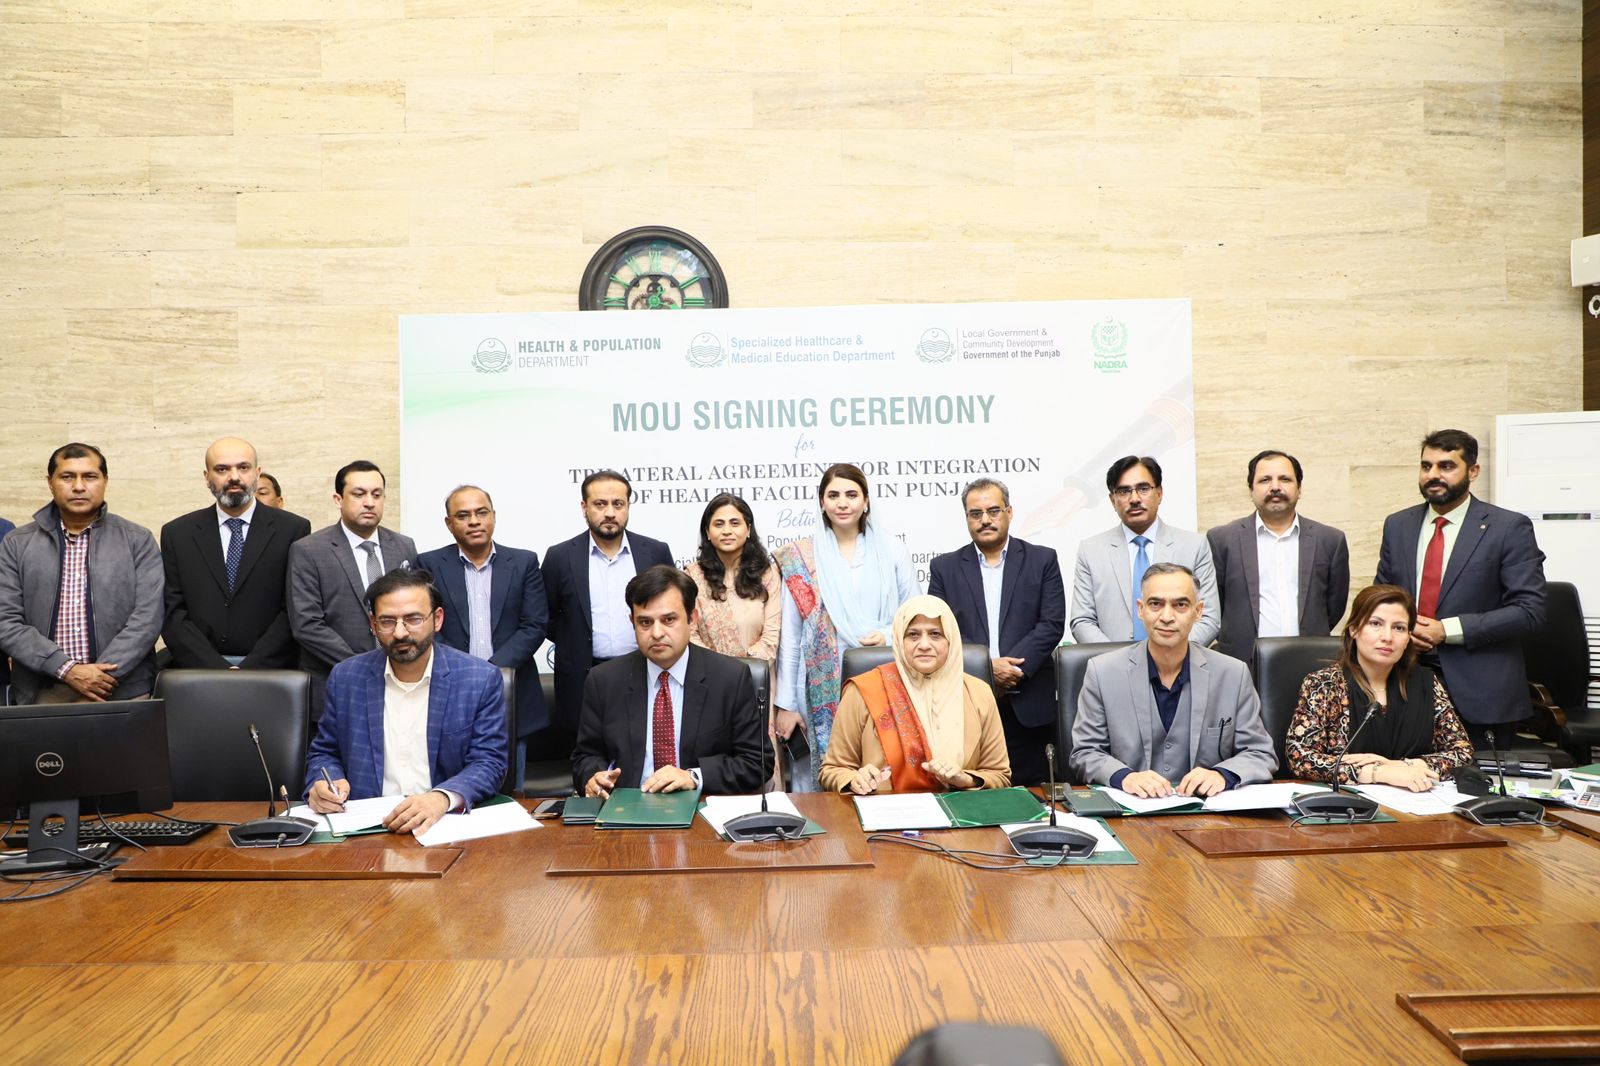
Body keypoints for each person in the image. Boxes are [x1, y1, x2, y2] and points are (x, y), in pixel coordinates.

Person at [303, 569, 507, 835]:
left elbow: (489, 762)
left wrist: (441, 798)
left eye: (413, 619)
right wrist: (324, 783)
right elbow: (325, 752)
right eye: (387, 621)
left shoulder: (479, 679)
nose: (400, 633)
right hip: (366, 829)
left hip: (444, 825)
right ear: (373, 624)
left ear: (437, 619)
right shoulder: (346, 678)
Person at [1375, 429, 1545, 740]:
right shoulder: (1398, 525)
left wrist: (1446, 630)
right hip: (1402, 682)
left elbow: (1529, 611)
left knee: (1476, 773)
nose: (1433, 475)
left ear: (1473, 471)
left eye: (1446, 466)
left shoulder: (1508, 527)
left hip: (1480, 692)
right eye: (1426, 466)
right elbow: (1382, 598)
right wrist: (1405, 629)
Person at [1070, 563, 1276, 795]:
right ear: (1141, 609)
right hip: (1132, 808)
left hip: (1208, 810)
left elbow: (1260, 753)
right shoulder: (1102, 672)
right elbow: (1085, 753)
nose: (1167, 617)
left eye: (1180, 605)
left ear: (1198, 611)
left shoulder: (1233, 674)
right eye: (1155, 604)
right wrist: (1125, 777)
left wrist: (1222, 775)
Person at [773, 462, 919, 785]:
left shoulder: (893, 550)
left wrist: (885, 635)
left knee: (882, 767)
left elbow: (915, 616)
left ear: (866, 501)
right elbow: (792, 637)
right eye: (833, 495)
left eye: (851, 495)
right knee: (823, 776)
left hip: (884, 675)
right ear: (822, 503)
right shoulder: (802, 557)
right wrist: (786, 705)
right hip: (819, 688)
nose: (843, 503)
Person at [571, 565, 766, 797]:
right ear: (632, 621)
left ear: (691, 618)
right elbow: (585, 757)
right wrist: (593, 777)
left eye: (669, 620)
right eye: (645, 622)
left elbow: (756, 763)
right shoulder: (604, 681)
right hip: (627, 807)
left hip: (700, 805)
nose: (656, 633)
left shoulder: (730, 678)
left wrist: (693, 777)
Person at [0, 443, 163, 704]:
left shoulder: (137, 539)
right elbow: (6, 620)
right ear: (50, 483)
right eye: (67, 477)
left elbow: (148, 618)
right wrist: (67, 670)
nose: (78, 486)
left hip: (121, 689)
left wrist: (102, 676)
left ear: (105, 481)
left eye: (89, 476)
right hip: (43, 690)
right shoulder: (17, 543)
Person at [927, 478, 1064, 785]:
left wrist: (1013, 669)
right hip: (966, 701)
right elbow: (940, 630)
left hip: (1029, 703)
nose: (985, 520)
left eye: (993, 511)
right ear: (966, 518)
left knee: (1032, 797)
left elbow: (1051, 623)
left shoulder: (1042, 559)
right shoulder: (944, 568)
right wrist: (988, 668)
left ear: (1009, 512)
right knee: (974, 792)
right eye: (975, 513)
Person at [417, 485, 548, 792]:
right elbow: (427, 625)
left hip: (511, 692)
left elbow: (534, 625)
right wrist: (466, 672)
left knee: (509, 793)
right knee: (454, 792)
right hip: (449, 691)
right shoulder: (429, 564)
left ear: (493, 517)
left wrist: (490, 673)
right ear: (449, 523)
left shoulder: (524, 562)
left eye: (481, 513)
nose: (474, 521)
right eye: (463, 515)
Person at [1287, 584, 1474, 791]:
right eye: (1375, 623)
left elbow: (1462, 752)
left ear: (1408, 638)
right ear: (1354, 629)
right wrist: (1378, 772)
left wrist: (1402, 766)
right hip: (1350, 803)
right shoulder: (1324, 685)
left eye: (1399, 628)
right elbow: (1300, 757)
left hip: (1417, 801)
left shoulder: (1426, 683)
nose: (1387, 637)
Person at [819, 595, 1011, 794]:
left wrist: (966, 779)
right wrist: (855, 779)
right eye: (913, 635)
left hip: (960, 810)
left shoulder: (979, 693)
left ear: (951, 640)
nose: (924, 644)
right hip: (886, 809)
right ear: (899, 640)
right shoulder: (864, 690)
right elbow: (832, 770)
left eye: (935, 634)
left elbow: (999, 774)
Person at [542, 469, 673, 751]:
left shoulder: (655, 552)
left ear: (628, 506)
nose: (610, 513)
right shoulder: (559, 556)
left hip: (645, 671)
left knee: (646, 754)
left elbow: (671, 610)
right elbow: (546, 617)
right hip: (583, 678)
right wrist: (576, 641)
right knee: (589, 759)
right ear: (584, 507)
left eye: (618, 504)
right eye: (600, 504)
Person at [160, 438, 311, 669]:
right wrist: (217, 669)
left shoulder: (293, 529)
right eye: (222, 469)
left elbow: (294, 608)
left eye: (243, 467)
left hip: (271, 671)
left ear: (257, 473)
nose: (234, 477)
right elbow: (173, 612)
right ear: (207, 477)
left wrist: (250, 669)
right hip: (199, 672)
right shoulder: (178, 534)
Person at [288, 459, 418, 717]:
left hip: (400, 685)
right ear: (338, 499)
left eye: (376, 495)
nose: (369, 502)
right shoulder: (309, 550)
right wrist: (363, 667)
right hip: (336, 683)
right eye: (359, 494)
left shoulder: (404, 546)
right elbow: (307, 624)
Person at [1206, 450, 1351, 663]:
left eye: (1285, 479)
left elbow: (1334, 606)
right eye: (1265, 480)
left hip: (1310, 662)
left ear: (1299, 488)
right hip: (1241, 662)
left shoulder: (1330, 540)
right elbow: (1214, 604)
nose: (1275, 487)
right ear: (1251, 490)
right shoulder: (1222, 539)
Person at [1070, 455, 1220, 647]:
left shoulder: (1194, 546)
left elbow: (1209, 618)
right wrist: (1116, 660)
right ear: (1112, 500)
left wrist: (1168, 655)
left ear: (1159, 493)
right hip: (1112, 663)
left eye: (1143, 489)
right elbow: (1082, 621)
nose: (1134, 499)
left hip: (1178, 661)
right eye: (1124, 491)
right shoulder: (1091, 551)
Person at [685, 493, 780, 661]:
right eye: (719, 524)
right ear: (707, 532)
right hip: (708, 672)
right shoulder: (692, 577)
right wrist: (723, 670)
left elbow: (772, 636)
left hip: (756, 672)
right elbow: (689, 634)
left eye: (735, 523)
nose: (727, 531)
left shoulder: (766, 574)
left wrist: (742, 671)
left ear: (748, 529)